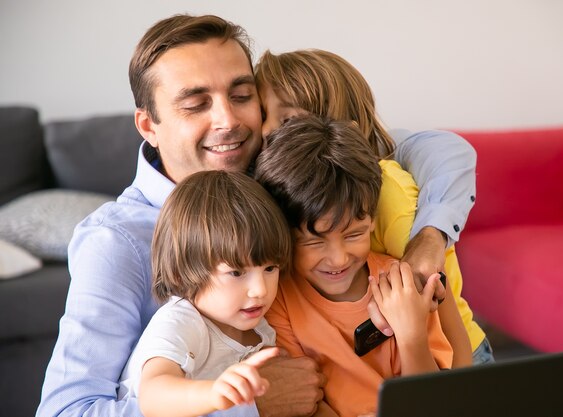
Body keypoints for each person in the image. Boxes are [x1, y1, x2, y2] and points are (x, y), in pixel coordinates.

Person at [37, 14, 479, 417]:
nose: (228, 120)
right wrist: (248, 406)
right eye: (196, 104)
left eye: (241, 95)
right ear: (148, 125)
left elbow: (437, 147)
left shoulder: (277, 171)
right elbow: (65, 412)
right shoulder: (116, 242)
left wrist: (431, 236)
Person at [254, 48, 494, 365]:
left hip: (450, 354)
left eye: (287, 120)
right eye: (262, 116)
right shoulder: (281, 185)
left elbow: (434, 287)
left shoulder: (389, 197)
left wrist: (461, 372)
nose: (266, 131)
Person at [255, 115, 453, 417]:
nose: (338, 258)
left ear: (371, 221)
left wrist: (410, 333)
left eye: (354, 234)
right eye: (314, 241)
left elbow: (433, 404)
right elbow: (303, 402)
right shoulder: (276, 298)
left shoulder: (402, 285)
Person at [117, 170, 291, 416]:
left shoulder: (259, 328)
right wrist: (213, 394)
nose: (260, 290)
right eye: (236, 273)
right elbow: (153, 396)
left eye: (270, 268)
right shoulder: (182, 321)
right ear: (180, 273)